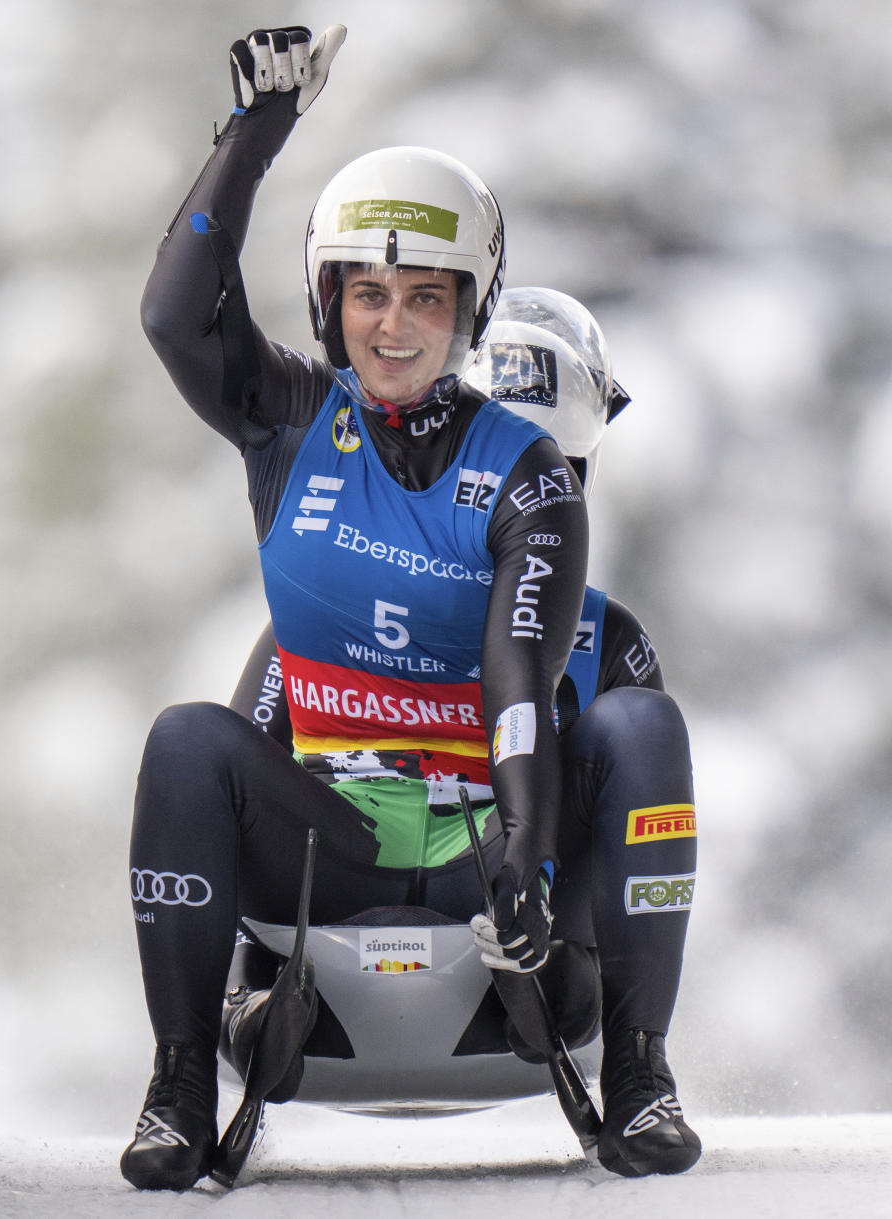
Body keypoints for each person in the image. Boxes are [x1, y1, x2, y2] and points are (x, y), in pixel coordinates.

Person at [123, 26, 590, 1192]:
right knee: (188, 738)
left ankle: (626, 1051)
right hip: (336, 831)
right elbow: (177, 319)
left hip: (482, 837)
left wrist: (527, 864)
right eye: (368, 294)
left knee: (630, 728)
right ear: (329, 302)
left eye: (424, 297)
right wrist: (256, 131)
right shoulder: (288, 417)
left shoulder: (526, 469)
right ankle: (179, 1081)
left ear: (469, 309)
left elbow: (520, 681)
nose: (392, 325)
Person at [228, 287, 702, 1180]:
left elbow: (640, 813)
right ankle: (254, 1007)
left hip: (525, 938)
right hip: (344, 906)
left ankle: (638, 1059)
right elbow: (241, 774)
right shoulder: (331, 616)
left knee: (641, 725)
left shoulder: (610, 640)